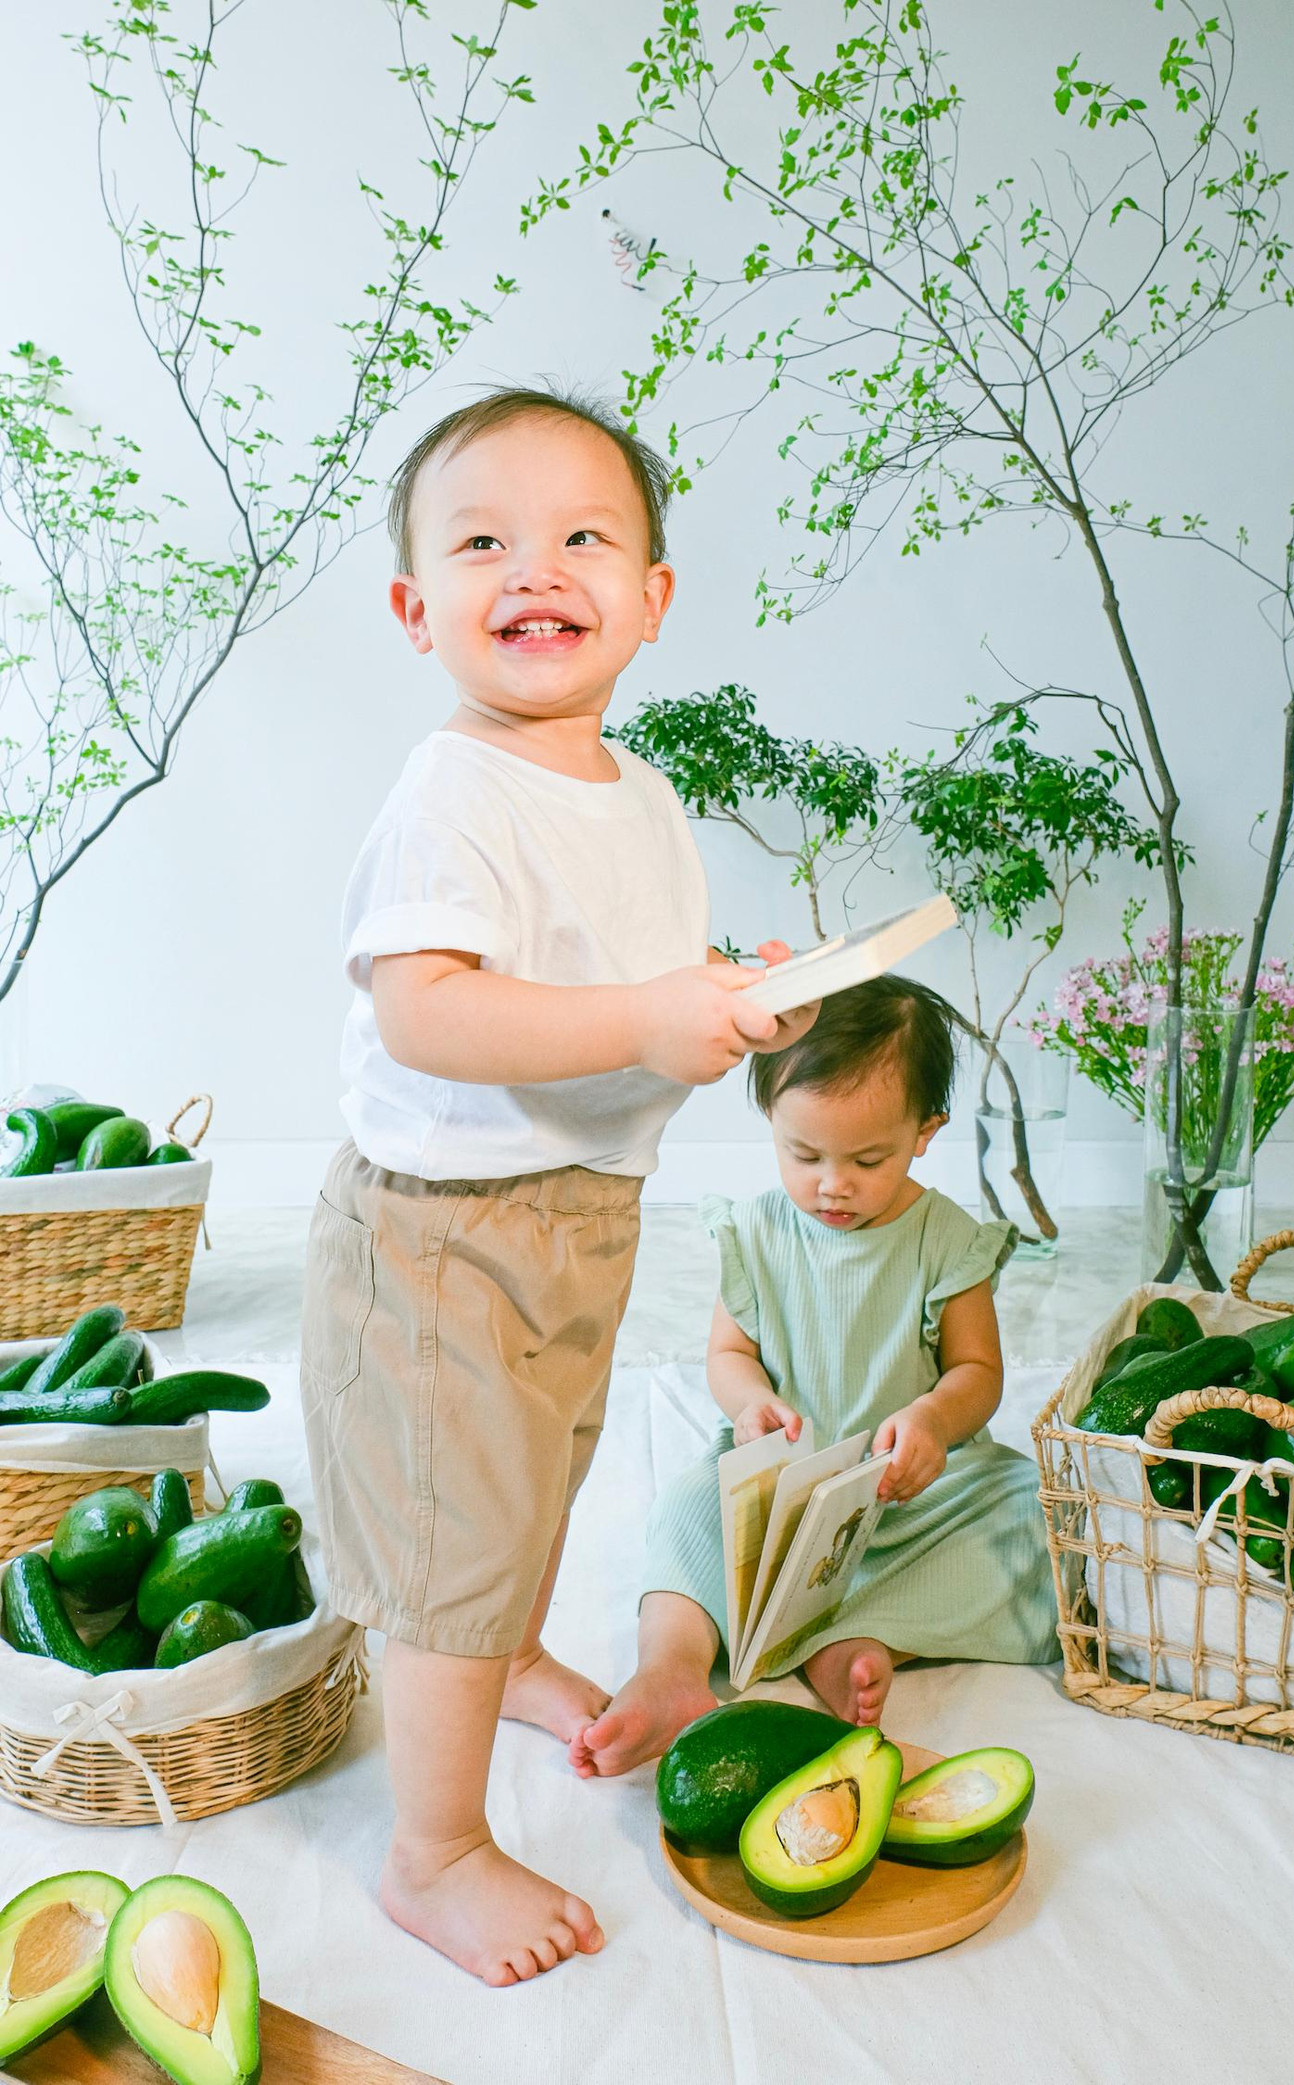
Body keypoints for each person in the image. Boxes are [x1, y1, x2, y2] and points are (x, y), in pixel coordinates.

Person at [298, 387, 817, 1988]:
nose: (535, 567)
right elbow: (428, 1012)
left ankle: (509, 1648)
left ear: (649, 597)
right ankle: (433, 1848)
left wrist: (722, 1001)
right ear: (417, 609)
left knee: (536, 1479)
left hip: (580, 1215)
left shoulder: (637, 796)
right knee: (454, 1524)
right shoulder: (452, 791)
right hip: (444, 1231)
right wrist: (646, 1018)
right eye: (483, 543)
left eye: (582, 536)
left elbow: (619, 990)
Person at [572, 974, 1059, 1777]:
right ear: (771, 1118)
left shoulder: (945, 1238)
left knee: (1029, 1521)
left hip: (913, 1498)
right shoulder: (759, 1230)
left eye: (868, 1159)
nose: (833, 1182)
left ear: (925, 1132)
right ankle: (671, 1668)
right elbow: (728, 1355)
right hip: (783, 1494)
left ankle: (858, 1639)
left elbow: (979, 1370)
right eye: (803, 1154)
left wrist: (934, 1421)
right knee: (687, 1511)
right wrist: (750, 1402)